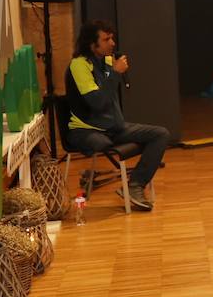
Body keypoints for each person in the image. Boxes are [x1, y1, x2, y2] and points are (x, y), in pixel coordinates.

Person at [64, 20, 171, 212]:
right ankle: (132, 186)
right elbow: (96, 102)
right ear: (92, 44)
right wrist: (114, 74)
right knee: (102, 143)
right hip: (86, 129)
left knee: (160, 134)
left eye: (112, 38)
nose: (112, 43)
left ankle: (134, 186)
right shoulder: (79, 65)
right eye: (106, 39)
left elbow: (108, 99)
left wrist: (113, 73)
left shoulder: (105, 61)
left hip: (113, 127)